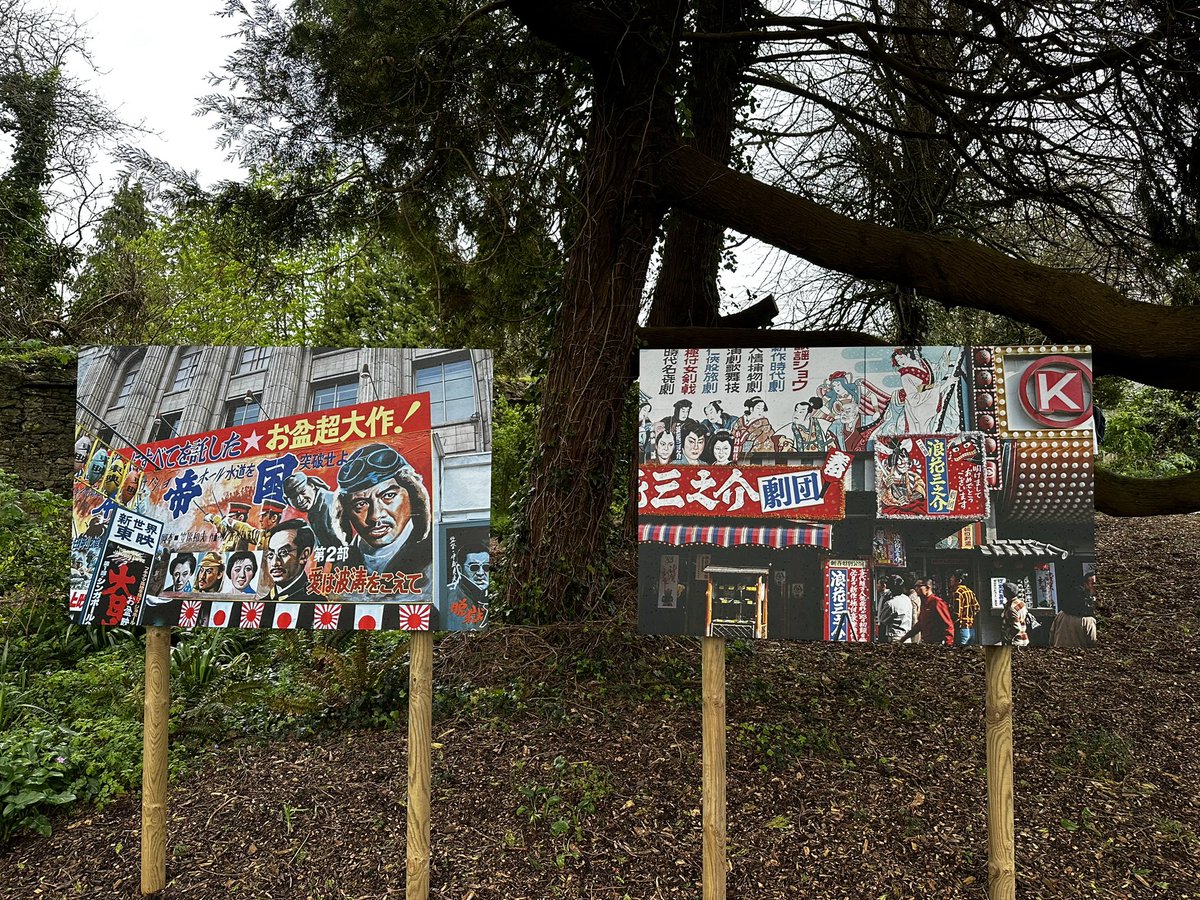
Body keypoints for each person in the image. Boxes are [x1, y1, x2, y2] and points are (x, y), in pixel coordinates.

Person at [335, 443, 433, 599]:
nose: (375, 516)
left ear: (413, 495)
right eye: (360, 504)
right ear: (345, 513)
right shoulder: (343, 561)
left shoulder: (434, 552)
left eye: (388, 496)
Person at [263, 520, 322, 603]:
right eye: (270, 555)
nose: (274, 563)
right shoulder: (261, 603)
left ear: (303, 555)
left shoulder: (315, 601)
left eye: (283, 552)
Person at [283, 472, 339, 547]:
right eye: (294, 497)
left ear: (312, 485)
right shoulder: (314, 510)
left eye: (303, 492)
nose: (300, 500)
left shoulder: (331, 503)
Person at [1050, 573, 1098, 647]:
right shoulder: (1089, 621)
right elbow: (1094, 643)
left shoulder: (1061, 615)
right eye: (1093, 584)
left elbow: (1051, 637)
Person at [900, 578, 954, 645]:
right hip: (926, 641)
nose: (916, 589)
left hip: (937, 642)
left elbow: (948, 625)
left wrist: (948, 644)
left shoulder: (937, 603)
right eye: (915, 586)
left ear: (928, 588)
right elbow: (920, 624)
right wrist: (904, 638)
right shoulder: (924, 603)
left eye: (918, 586)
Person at [1001, 581, 1040, 647]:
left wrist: (1008, 637)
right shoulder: (1021, 603)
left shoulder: (1012, 608)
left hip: (1016, 642)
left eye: (1004, 590)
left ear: (1008, 593)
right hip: (1024, 638)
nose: (1003, 592)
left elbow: (1016, 627)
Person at [876, 573, 912, 643]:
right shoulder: (907, 599)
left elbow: (882, 619)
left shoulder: (890, 603)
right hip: (907, 636)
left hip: (895, 636)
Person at [950, 570, 980, 646]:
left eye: (952, 578)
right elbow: (977, 608)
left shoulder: (957, 592)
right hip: (971, 629)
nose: (950, 579)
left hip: (961, 629)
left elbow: (956, 613)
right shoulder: (970, 591)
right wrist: (969, 617)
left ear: (959, 581)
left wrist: (950, 624)